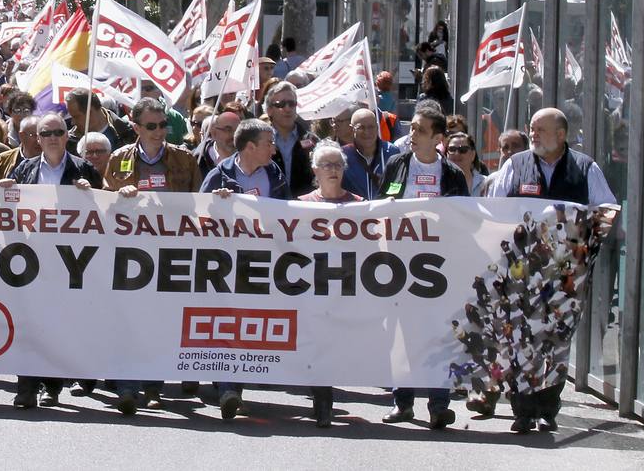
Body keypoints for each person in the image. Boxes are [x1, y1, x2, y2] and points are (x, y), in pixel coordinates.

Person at [482, 107, 617, 432]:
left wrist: (586, 250)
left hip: (565, 273)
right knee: (520, 338)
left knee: (555, 340)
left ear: (561, 135)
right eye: (533, 129)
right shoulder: (516, 165)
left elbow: (607, 210)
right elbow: (494, 208)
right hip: (521, 272)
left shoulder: (585, 167)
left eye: (541, 130)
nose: (535, 135)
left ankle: (548, 406)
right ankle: (523, 409)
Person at [100, 97, 203, 414]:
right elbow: (102, 202)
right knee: (130, 320)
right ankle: (128, 386)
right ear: (136, 128)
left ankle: (155, 385)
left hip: (172, 252)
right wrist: (118, 196)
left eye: (163, 125)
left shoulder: (183, 159)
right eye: (152, 126)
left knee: (162, 320)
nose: (160, 131)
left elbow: (199, 203)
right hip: (131, 254)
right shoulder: (119, 159)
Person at [0, 113, 100, 408]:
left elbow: (105, 213)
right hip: (32, 257)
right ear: (37, 138)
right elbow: (9, 211)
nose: (53, 137)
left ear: (67, 135)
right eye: (46, 133)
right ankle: (26, 385)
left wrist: (91, 194)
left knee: (58, 324)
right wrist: (4, 191)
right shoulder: (24, 169)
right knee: (28, 322)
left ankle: (52, 387)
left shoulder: (83, 169)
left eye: (58, 131)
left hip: (71, 260)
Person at [377, 105, 467, 430]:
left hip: (436, 270)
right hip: (400, 266)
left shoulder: (453, 175)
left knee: (439, 334)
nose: (412, 135)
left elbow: (464, 221)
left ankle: (439, 405)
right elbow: (378, 207)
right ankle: (402, 403)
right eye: (411, 128)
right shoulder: (397, 165)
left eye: (420, 130)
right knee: (403, 335)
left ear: (438, 138)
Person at [199, 118, 288, 419]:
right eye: (269, 143)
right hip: (224, 263)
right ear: (250, 147)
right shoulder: (218, 175)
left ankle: (237, 379)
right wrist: (214, 203)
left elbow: (289, 214)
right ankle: (228, 387)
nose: (274, 149)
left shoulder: (275, 174)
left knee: (252, 320)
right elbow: (196, 217)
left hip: (264, 261)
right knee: (226, 321)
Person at [300, 140, 363, 425]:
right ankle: (322, 400)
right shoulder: (300, 205)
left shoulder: (359, 205)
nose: (333, 170)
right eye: (327, 165)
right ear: (315, 170)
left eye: (338, 164)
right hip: (313, 288)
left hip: (348, 288)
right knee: (318, 344)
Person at [264, 82, 314, 194]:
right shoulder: (258, 141)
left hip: (304, 206)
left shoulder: (312, 141)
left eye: (291, 103)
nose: (287, 109)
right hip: (269, 205)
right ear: (269, 110)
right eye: (281, 104)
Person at [342, 108, 401, 199]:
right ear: (351, 129)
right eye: (361, 127)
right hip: (354, 211)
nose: (367, 132)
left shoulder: (392, 152)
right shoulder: (343, 156)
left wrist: (391, 196)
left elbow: (397, 182)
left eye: (371, 127)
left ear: (377, 127)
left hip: (384, 211)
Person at [65, 88, 134, 154]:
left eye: (76, 117)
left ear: (90, 112)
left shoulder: (130, 132)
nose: (72, 122)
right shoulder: (68, 141)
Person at [137, 79, 187, 145]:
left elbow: (185, 145)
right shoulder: (128, 119)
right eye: (139, 89)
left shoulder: (175, 117)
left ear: (159, 91)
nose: (142, 92)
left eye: (148, 88)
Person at [0, 116, 41, 180]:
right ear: (22, 136)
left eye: (42, 135)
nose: (38, 140)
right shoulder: (3, 160)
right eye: (34, 135)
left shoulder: (52, 162)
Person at [196, 111, 240, 178]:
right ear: (214, 133)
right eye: (228, 130)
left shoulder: (249, 157)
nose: (234, 135)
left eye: (238, 131)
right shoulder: (197, 159)